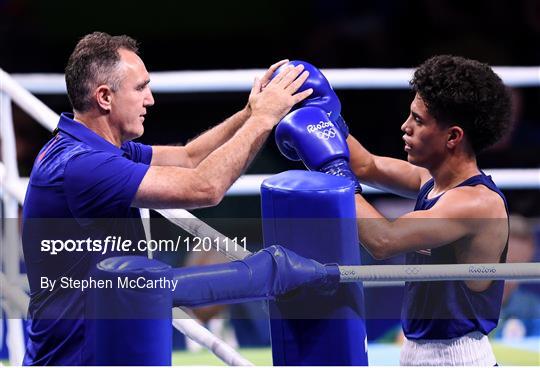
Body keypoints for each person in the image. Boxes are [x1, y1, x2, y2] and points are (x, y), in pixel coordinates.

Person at [21, 32, 314, 365]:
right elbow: (204, 187)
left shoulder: (91, 146)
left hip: (103, 346)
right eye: (140, 88)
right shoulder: (84, 166)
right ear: (104, 97)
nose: (151, 100)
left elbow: (190, 157)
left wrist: (249, 112)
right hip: (80, 358)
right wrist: (265, 118)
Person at [274, 55, 512, 365]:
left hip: (457, 360)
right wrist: (324, 115)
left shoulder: (476, 204)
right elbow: (365, 164)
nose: (405, 126)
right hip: (418, 355)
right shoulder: (433, 180)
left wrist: (334, 174)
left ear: (453, 136)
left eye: (418, 120)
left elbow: (383, 241)